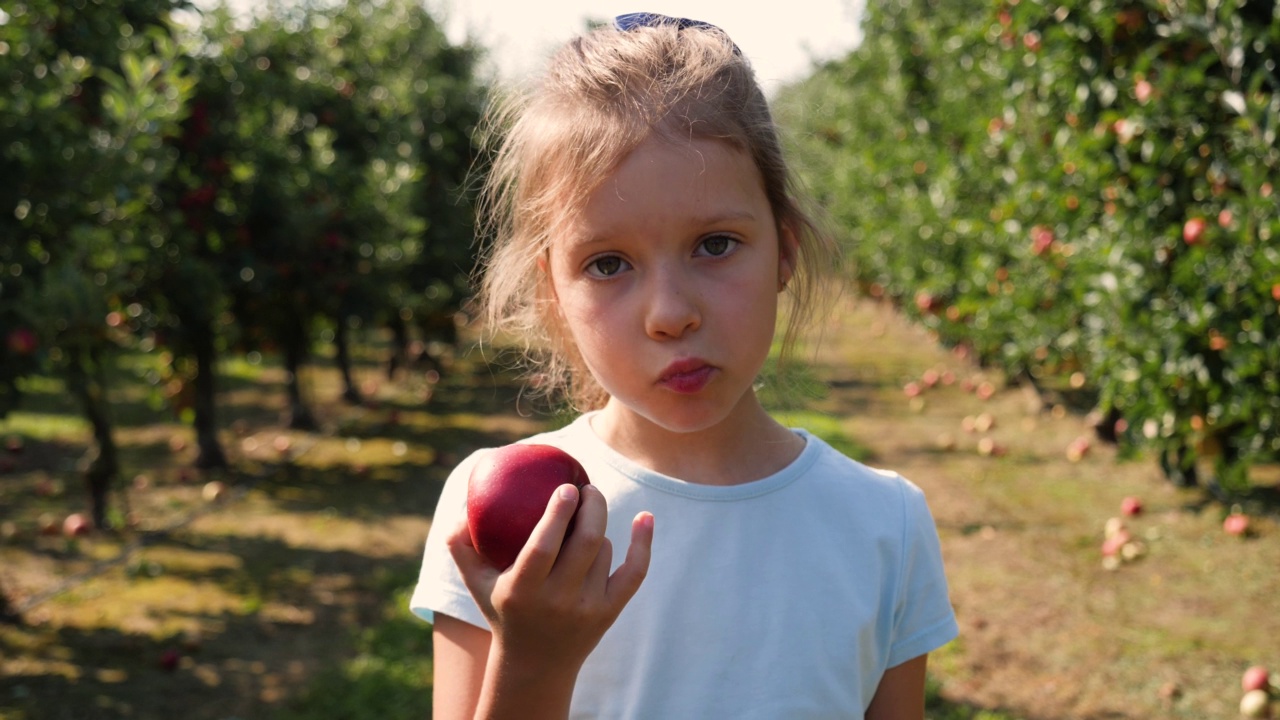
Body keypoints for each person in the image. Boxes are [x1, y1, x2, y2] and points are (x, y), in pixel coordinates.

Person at [410, 12, 959, 719]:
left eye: (715, 244)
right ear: (554, 291)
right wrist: (535, 659)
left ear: (784, 251)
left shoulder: (886, 525)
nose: (670, 312)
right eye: (608, 264)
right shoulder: (506, 519)